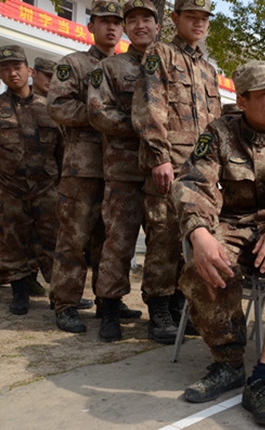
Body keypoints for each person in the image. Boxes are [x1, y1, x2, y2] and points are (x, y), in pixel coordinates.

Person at [171, 60, 265, 426]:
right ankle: (228, 363)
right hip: (235, 226)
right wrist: (199, 233)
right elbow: (193, 182)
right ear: (242, 100)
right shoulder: (220, 132)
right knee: (204, 264)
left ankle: (262, 380)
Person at [131, 0, 222, 344]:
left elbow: (215, 123)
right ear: (175, 18)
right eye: (191, 17)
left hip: (201, 169)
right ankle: (158, 309)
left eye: (204, 18)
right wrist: (159, 156)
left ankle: (181, 306)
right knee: (164, 234)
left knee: (194, 234)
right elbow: (149, 107)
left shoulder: (209, 69)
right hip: (170, 163)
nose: (199, 23)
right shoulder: (161, 54)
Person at [47, 0, 124, 333]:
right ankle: (65, 303)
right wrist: (98, 116)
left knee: (109, 241)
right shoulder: (74, 64)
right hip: (83, 167)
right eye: (104, 21)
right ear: (91, 26)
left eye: (116, 22)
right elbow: (57, 106)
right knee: (73, 239)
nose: (111, 27)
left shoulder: (127, 68)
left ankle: (108, 299)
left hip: (118, 169)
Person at [87, 0, 161, 342]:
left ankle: (162, 309)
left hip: (162, 169)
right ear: (127, 29)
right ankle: (110, 308)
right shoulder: (110, 68)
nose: (140, 25)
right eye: (133, 21)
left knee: (163, 243)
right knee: (117, 242)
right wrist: (145, 127)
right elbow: (98, 113)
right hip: (124, 169)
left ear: (157, 26)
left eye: (147, 19)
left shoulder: (170, 66)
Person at [0, 45, 63, 315]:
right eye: (5, 69)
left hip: (46, 188)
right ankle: (20, 294)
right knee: (12, 242)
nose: (12, 73)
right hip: (9, 189)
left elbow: (62, 149)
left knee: (55, 242)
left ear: (29, 70)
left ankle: (61, 297)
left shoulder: (49, 107)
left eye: (17, 67)